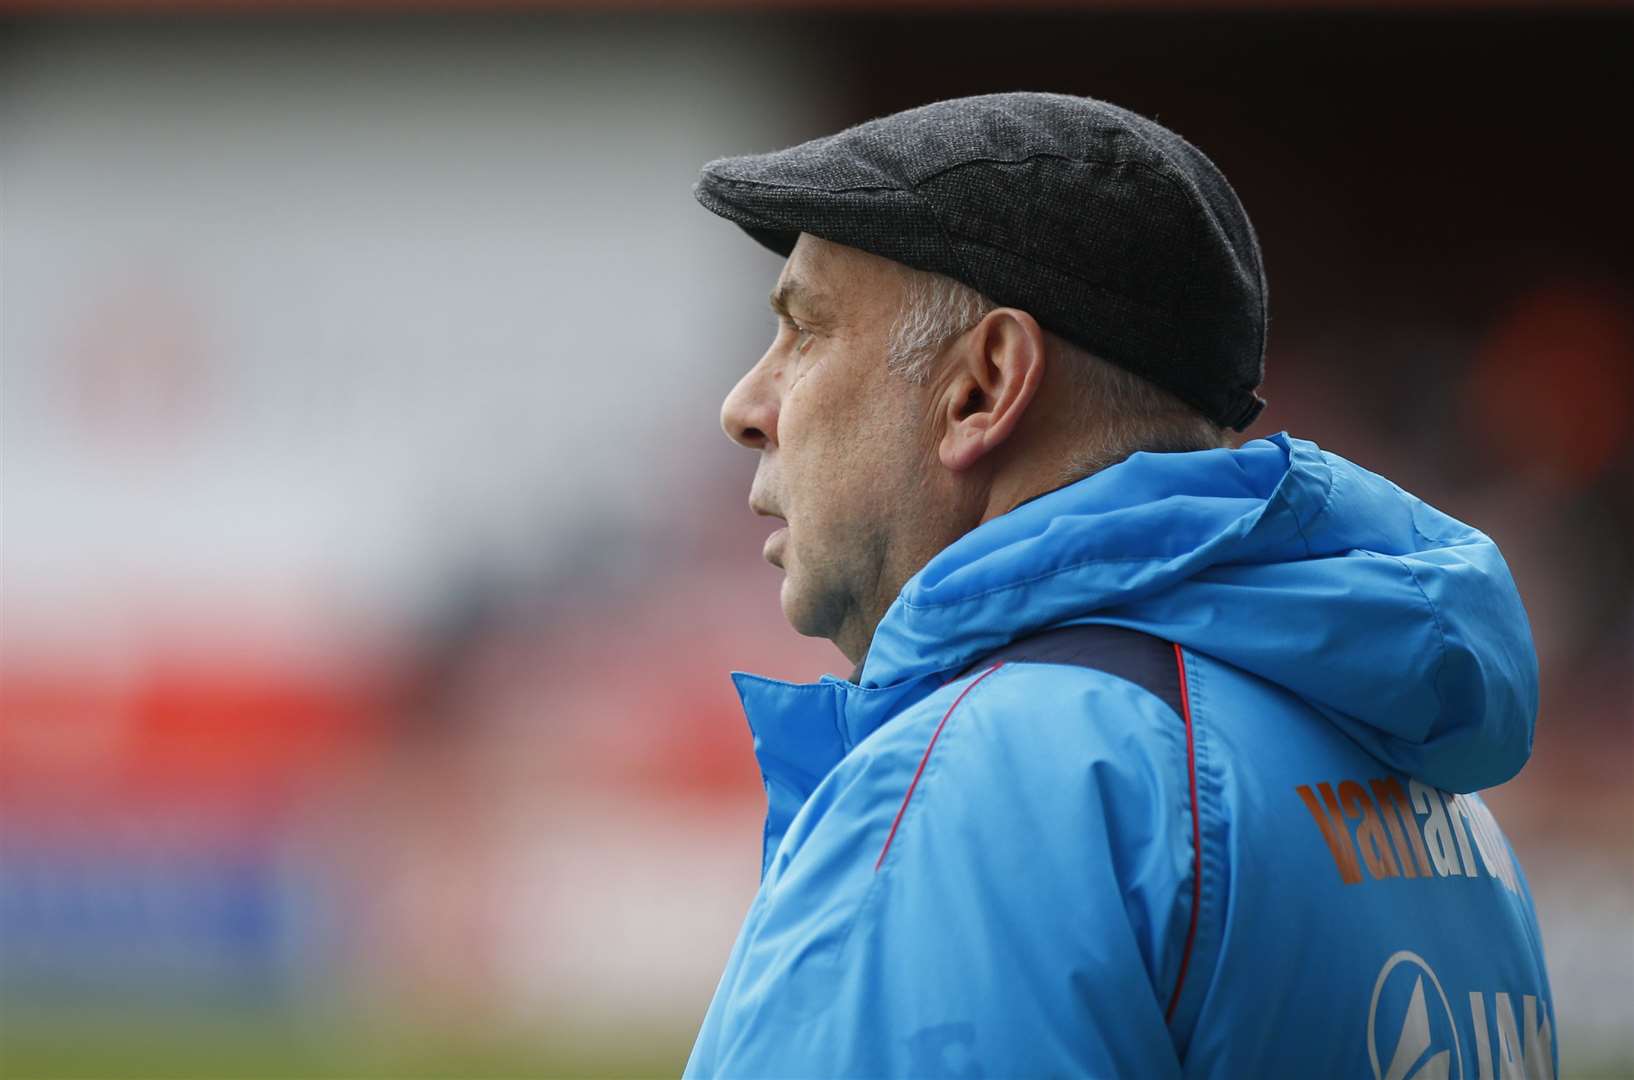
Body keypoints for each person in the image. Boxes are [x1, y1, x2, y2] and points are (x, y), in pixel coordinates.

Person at [684, 93, 1556, 1079]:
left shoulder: (993, 780)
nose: (744, 406)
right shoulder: (1419, 784)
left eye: (804, 332)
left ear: (980, 387)